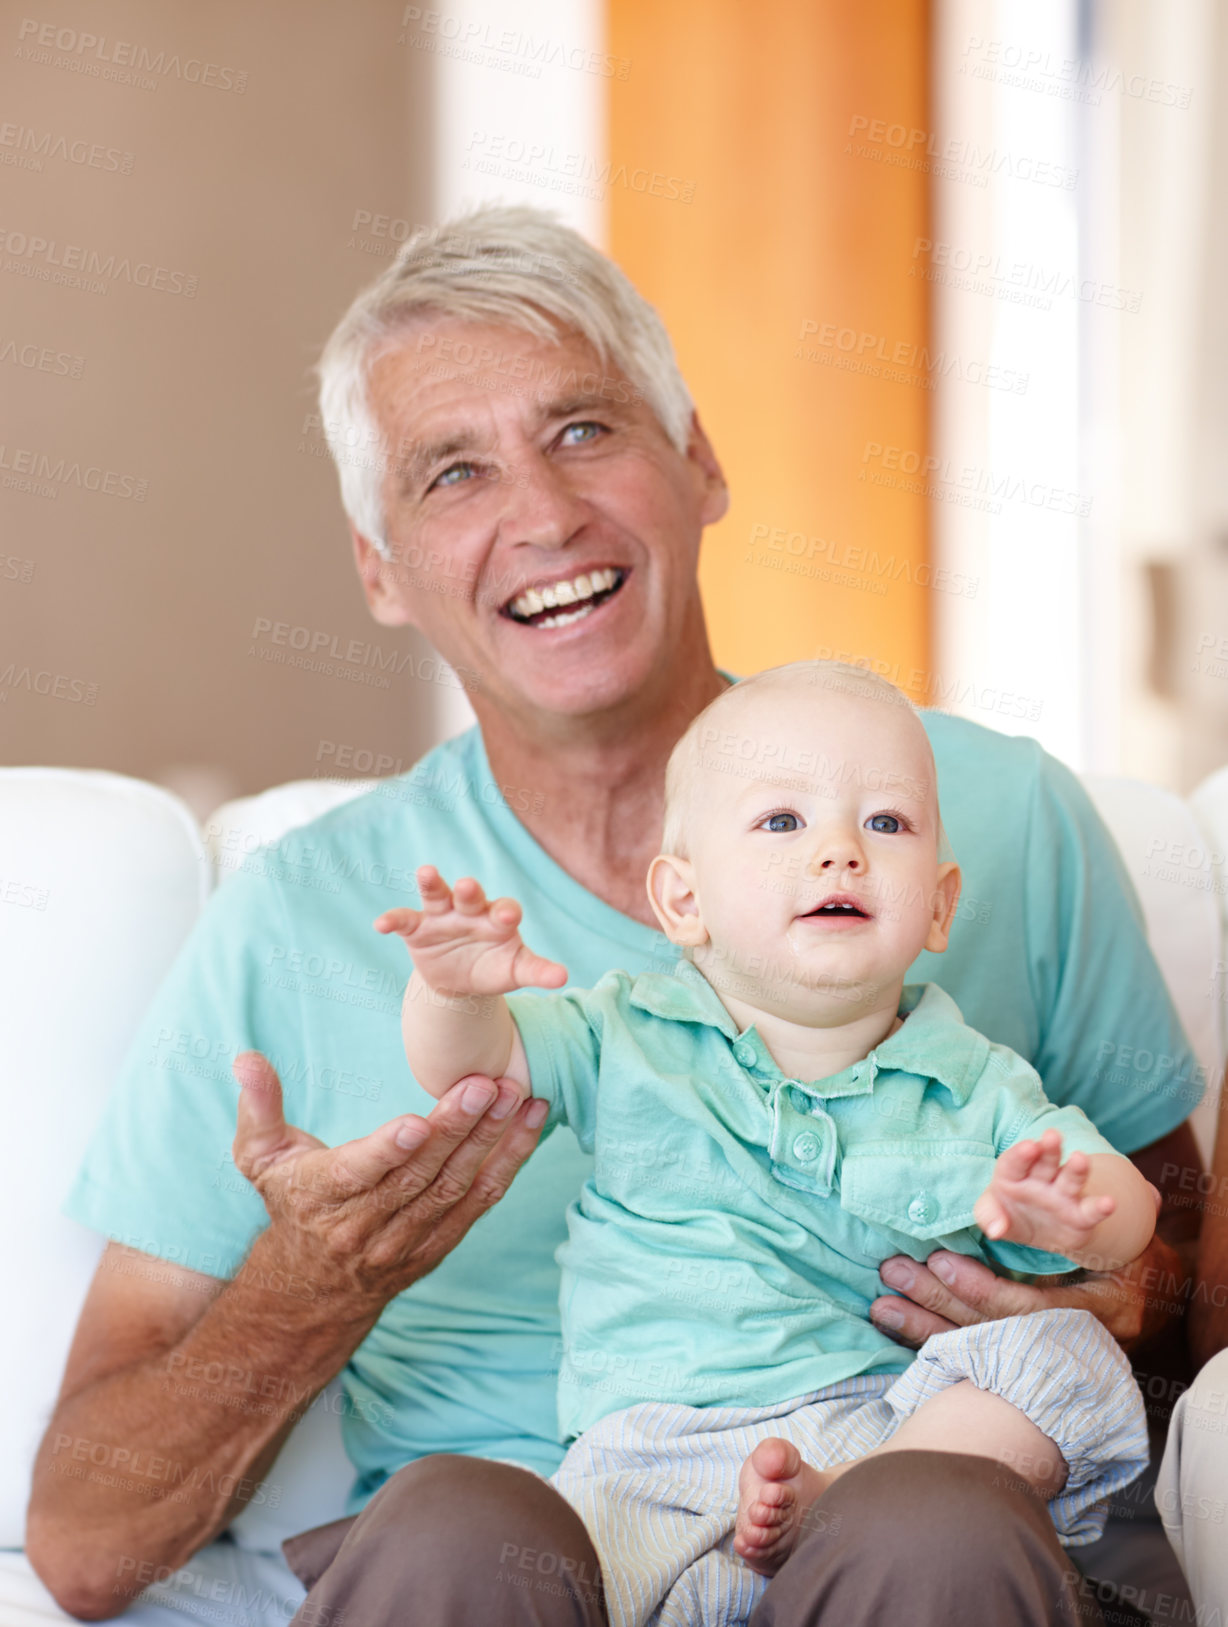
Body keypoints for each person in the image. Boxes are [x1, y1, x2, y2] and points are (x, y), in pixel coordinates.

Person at [24, 205, 1204, 1627]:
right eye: (453, 472)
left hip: (903, 1537)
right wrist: (317, 1280)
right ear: (379, 570)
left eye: (584, 429)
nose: (542, 514)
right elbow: (83, 1539)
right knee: (454, 1522)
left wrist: (1117, 1298)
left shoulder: (993, 816)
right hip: (536, 1556)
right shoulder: (307, 917)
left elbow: (1187, 1283)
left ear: (698, 458)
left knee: (935, 1516)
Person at [377, 658, 1157, 1626]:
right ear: (682, 901)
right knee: (499, 1544)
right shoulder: (626, 1033)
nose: (839, 851)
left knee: (1069, 1347)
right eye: (783, 822)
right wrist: (454, 992)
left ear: (941, 904)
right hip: (642, 1469)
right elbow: (474, 1065)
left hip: (886, 1446)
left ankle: (839, 1506)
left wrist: (1079, 1215)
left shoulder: (973, 1078)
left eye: (885, 822)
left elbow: (1128, 1214)